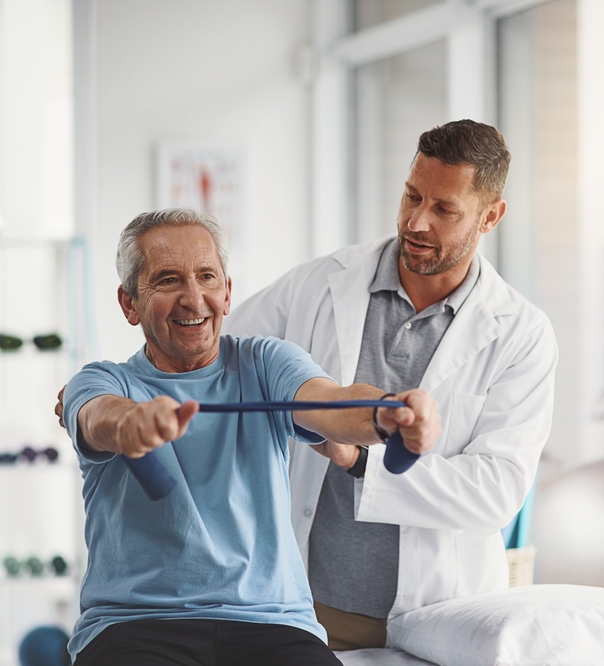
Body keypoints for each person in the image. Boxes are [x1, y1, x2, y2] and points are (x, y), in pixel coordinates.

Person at [223, 119, 558, 650]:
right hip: (304, 603)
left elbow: (495, 493)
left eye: (444, 209)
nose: (417, 221)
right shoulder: (323, 282)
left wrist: (360, 461)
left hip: (436, 614)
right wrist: (115, 389)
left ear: (490, 215)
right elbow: (216, 354)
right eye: (411, 196)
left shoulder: (521, 334)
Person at [59, 208, 441, 665]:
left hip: (272, 623)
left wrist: (390, 413)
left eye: (207, 277)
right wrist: (132, 425)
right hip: (137, 626)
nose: (193, 297)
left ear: (227, 293)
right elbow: (99, 416)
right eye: (167, 280)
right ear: (129, 304)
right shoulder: (102, 380)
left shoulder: (264, 362)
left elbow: (331, 402)